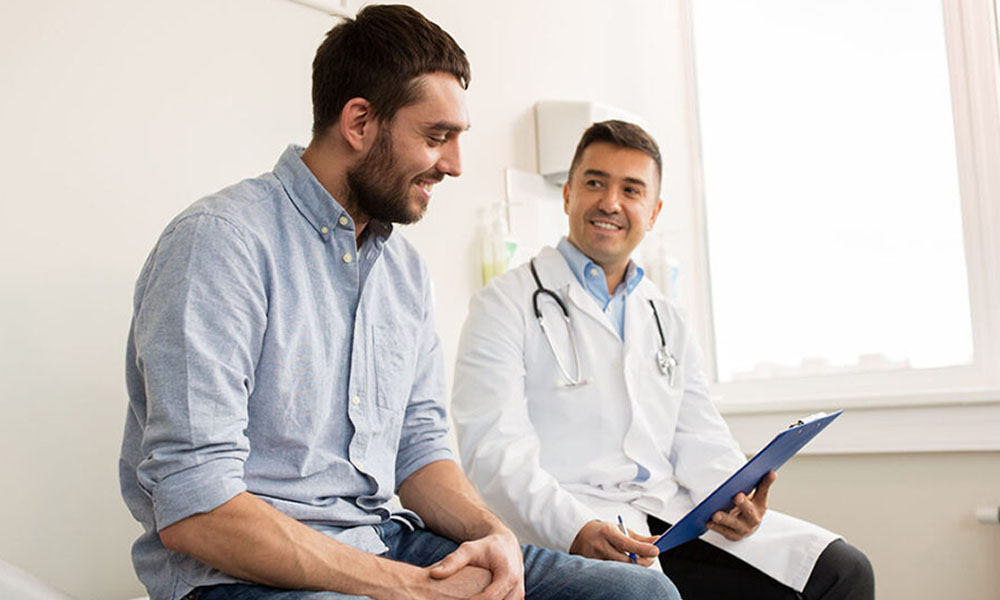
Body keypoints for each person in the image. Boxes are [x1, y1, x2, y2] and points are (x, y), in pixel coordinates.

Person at [118, 7, 681, 600]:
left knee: (641, 595)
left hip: (385, 540)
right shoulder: (221, 242)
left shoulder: (404, 272)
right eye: (437, 137)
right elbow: (196, 506)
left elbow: (419, 450)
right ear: (359, 122)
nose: (455, 165)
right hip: (240, 575)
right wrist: (409, 589)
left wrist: (493, 535)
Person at [452, 120, 875, 599]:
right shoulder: (503, 304)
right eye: (595, 183)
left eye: (630, 190)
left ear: (652, 212)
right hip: (571, 522)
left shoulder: (665, 314)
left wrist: (733, 498)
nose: (610, 202)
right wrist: (577, 527)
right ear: (567, 195)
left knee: (843, 571)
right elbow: (494, 454)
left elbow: (699, 434)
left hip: (670, 517)